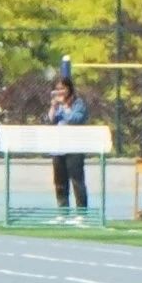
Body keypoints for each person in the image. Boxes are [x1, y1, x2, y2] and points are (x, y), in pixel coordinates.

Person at [46, 76, 90, 212]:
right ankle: (63, 212)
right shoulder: (58, 105)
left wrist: (65, 107)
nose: (60, 92)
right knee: (60, 182)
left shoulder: (78, 103)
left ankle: (81, 213)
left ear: (69, 89)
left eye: (63, 88)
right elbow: (51, 119)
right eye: (57, 89)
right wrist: (54, 106)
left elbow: (75, 119)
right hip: (58, 147)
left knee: (77, 181)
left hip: (74, 147)